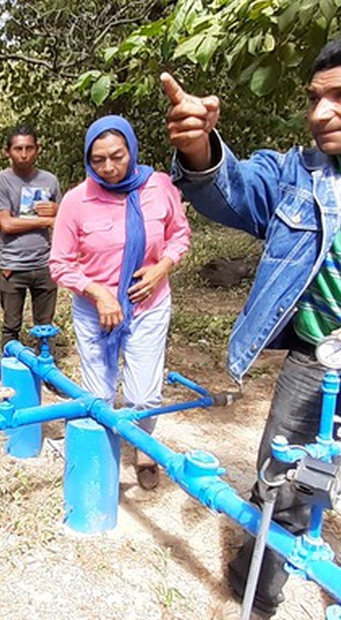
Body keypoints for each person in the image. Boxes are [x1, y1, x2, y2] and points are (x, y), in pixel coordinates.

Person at [162, 37, 341, 618]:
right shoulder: (300, 174)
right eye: (315, 99)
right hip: (319, 360)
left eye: (338, 99)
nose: (320, 114)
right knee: (282, 481)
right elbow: (237, 187)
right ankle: (256, 589)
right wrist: (200, 152)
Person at [49, 115, 190, 490]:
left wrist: (162, 268)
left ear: (132, 149)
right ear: (87, 159)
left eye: (117, 156)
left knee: (143, 392)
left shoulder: (158, 187)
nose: (108, 167)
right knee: (99, 393)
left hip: (149, 303)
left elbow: (180, 235)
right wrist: (97, 292)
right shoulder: (77, 201)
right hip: (95, 310)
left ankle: (144, 450)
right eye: (98, 160)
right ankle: (102, 460)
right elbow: (59, 264)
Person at [0, 125, 61, 349]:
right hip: (13, 266)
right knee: (11, 325)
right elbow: (6, 223)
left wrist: (57, 209)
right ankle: (9, 372)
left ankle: (46, 370)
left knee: (45, 326)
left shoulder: (50, 180)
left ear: (38, 149)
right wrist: (46, 221)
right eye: (18, 148)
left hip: (45, 263)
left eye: (29, 147)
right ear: (7, 151)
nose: (24, 153)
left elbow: (65, 217)